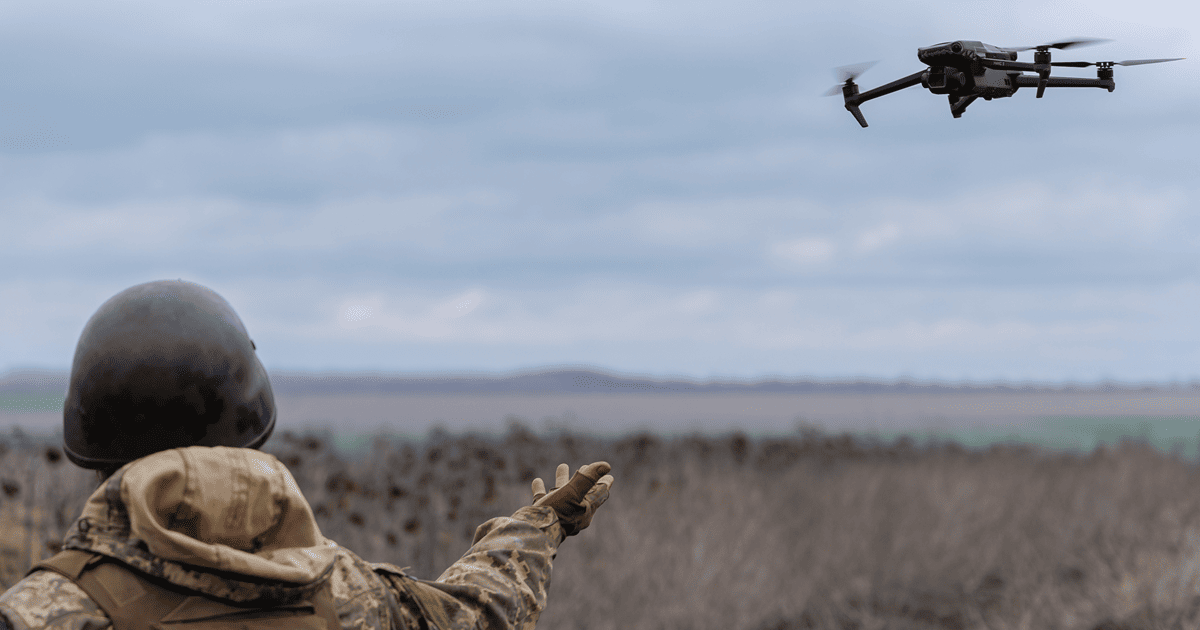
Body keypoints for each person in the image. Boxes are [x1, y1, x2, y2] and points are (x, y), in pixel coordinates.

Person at [0, 279, 613, 630]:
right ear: (250, 424)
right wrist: (541, 526)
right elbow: (480, 612)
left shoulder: (43, 614)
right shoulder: (344, 595)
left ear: (91, 443)